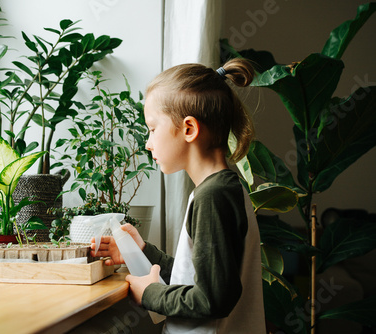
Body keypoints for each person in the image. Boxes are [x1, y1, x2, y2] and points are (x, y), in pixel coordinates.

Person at [91, 58, 266, 334]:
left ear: (189, 129)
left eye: (152, 129)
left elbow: (211, 300)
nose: (148, 143)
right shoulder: (218, 189)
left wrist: (151, 294)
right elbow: (199, 279)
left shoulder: (214, 196)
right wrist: (145, 253)